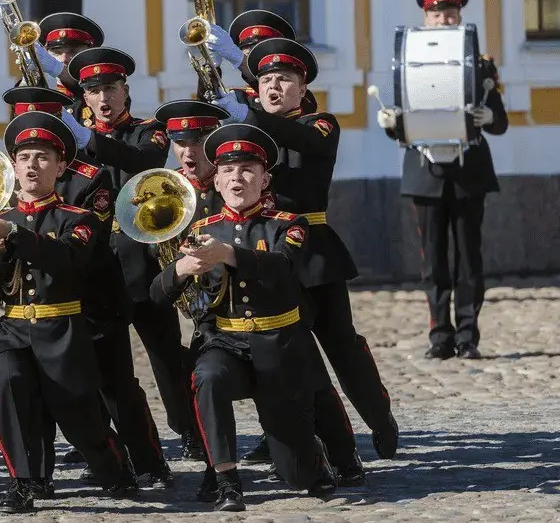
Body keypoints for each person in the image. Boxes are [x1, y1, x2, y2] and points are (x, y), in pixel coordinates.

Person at [158, 99, 364, 483]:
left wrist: (229, 253)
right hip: (222, 324)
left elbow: (275, 246)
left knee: (313, 384)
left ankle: (342, 455)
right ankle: (217, 471)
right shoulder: (177, 191)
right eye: (180, 142)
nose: (189, 151)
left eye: (199, 139)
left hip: (278, 316)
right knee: (204, 375)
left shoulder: (253, 198)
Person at [212, 38, 399, 461]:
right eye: (266, 80)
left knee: (342, 347)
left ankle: (379, 419)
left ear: (302, 87)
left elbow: (300, 139)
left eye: (284, 79)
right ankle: (286, 434)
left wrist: (249, 113)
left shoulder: (320, 123)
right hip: (266, 252)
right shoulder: (248, 133)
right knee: (283, 353)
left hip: (314, 253)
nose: (274, 87)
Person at [2, 87, 172, 492]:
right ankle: (43, 473)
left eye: (47, 128)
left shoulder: (89, 177)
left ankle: (149, 460)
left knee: (116, 384)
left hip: (94, 295)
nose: (37, 141)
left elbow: (85, 240)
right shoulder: (9, 177)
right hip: (43, 301)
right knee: (47, 388)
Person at [0, 111, 139, 513]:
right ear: (13, 165)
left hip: (61, 329)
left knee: (79, 417)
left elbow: (66, 259)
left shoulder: (77, 219)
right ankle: (24, 481)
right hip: (12, 330)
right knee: (6, 383)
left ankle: (115, 466)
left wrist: (14, 236)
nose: (32, 165)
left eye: (43, 157)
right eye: (25, 156)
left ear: (61, 166)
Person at [58, 48, 197, 456]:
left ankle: (188, 428)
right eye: (94, 91)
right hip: (98, 265)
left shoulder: (148, 130)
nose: (104, 98)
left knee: (166, 355)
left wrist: (90, 140)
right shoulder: (73, 141)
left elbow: (144, 160)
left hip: (144, 261)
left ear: (125, 90)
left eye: (111, 89)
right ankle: (105, 435)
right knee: (103, 362)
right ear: (83, 97)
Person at [377, 0, 508, 360]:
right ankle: (440, 336)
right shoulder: (409, 58)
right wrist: (389, 122)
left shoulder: (480, 63)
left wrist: (489, 116)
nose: (443, 19)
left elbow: (499, 122)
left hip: (469, 172)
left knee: (469, 258)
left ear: (460, 18)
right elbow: (404, 115)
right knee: (432, 261)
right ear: (426, 19)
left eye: (449, 14)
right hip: (425, 172)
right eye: (436, 14)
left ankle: (468, 337)